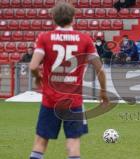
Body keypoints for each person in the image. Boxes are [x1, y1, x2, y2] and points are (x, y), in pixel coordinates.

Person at [28, 2, 109, 159]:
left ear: (53, 18)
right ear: (73, 17)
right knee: (73, 143)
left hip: (50, 100)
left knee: (40, 142)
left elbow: (32, 66)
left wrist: (38, 78)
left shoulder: (45, 38)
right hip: (74, 101)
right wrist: (103, 92)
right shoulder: (84, 39)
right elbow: (100, 69)